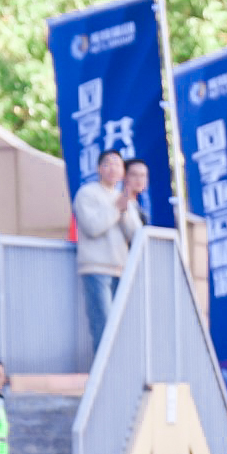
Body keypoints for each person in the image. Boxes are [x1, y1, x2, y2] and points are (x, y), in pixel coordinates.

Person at [71, 149, 148, 347]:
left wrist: (123, 210)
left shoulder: (123, 198)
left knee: (119, 326)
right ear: (98, 169)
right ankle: (102, 375)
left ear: (123, 172)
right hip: (96, 268)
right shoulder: (87, 193)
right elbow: (92, 227)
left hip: (120, 268)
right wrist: (116, 208)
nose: (113, 168)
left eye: (117, 165)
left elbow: (135, 234)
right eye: (107, 163)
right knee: (103, 325)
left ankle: (115, 373)